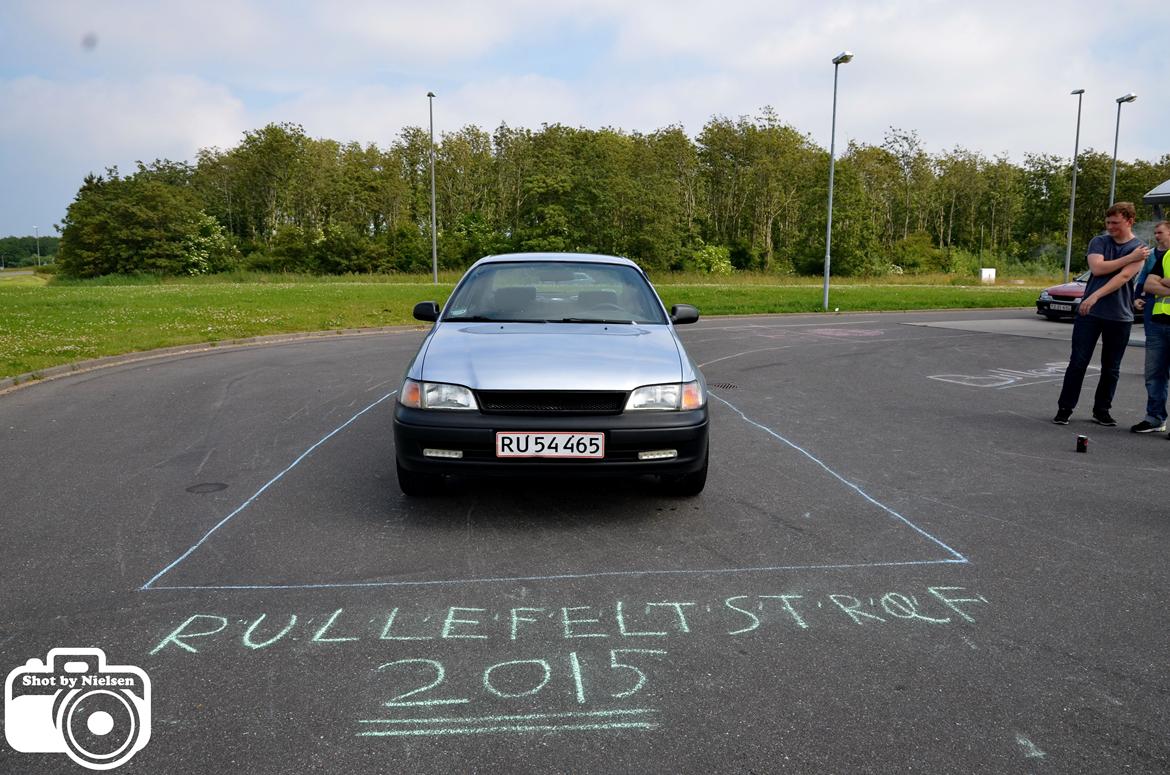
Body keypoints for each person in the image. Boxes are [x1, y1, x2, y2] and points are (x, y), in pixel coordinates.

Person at [1053, 202, 1150, 425]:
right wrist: (1128, 258)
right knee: (1078, 362)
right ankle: (1065, 408)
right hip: (1091, 314)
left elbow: (1123, 277)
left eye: (1115, 223)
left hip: (1119, 315)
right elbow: (1097, 268)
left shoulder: (1140, 248)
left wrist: (1095, 295)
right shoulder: (1099, 241)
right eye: (1108, 222)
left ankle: (1102, 410)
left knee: (1111, 367)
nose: (1110, 227)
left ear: (1129, 221)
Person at [1131, 221, 1170, 432]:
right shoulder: (1162, 257)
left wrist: (1162, 284)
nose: (1156, 235)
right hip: (1157, 322)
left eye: (1160, 232)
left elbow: (1156, 285)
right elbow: (1147, 284)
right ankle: (1155, 417)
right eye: (1154, 232)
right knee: (1154, 373)